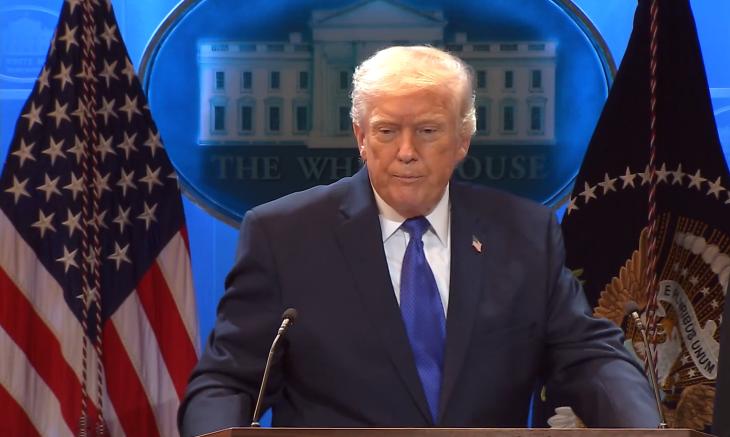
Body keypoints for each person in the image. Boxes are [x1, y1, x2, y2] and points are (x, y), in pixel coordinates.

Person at [177, 45, 661, 437]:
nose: (406, 151)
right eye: (387, 131)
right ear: (361, 137)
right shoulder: (285, 235)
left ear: (463, 138)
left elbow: (590, 358)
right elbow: (227, 380)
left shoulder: (524, 234)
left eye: (428, 131)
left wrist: (646, 431)